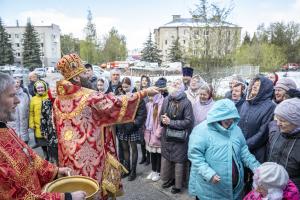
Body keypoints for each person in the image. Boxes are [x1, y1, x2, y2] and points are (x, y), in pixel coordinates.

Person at [53, 54, 158, 199]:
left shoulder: (57, 101)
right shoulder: (89, 96)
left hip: (69, 159)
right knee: (93, 190)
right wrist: (143, 92)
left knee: (75, 191)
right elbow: (116, 103)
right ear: (77, 78)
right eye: (84, 73)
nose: (88, 76)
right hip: (93, 156)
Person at [0, 72, 86, 200]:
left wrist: (55, 171)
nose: (18, 101)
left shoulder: (5, 129)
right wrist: (66, 197)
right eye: (12, 95)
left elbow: (30, 157)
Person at [188, 99, 260, 200]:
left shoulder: (236, 130)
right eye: (226, 116)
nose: (230, 120)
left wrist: (257, 168)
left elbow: (244, 152)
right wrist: (209, 174)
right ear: (217, 115)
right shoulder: (201, 130)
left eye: (232, 117)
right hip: (210, 189)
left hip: (234, 189)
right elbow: (195, 156)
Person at [238, 75, 276, 192]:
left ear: (264, 89)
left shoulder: (270, 106)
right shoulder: (246, 102)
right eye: (253, 84)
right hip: (241, 148)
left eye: (258, 85)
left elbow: (263, 133)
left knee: (254, 182)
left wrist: (244, 145)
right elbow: (239, 124)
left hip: (257, 151)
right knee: (241, 178)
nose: (254, 86)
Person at [160, 79, 194, 194]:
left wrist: (171, 123)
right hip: (167, 136)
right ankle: (169, 179)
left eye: (178, 83)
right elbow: (161, 116)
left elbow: (188, 121)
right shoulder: (166, 99)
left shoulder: (186, 102)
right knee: (168, 158)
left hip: (180, 138)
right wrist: (162, 120)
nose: (174, 84)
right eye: (173, 82)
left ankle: (178, 185)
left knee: (178, 161)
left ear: (182, 87)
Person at [116, 77, 147, 181]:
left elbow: (142, 113)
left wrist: (135, 123)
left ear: (131, 86)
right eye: (123, 87)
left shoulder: (137, 97)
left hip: (133, 127)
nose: (125, 89)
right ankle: (127, 169)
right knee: (125, 149)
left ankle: (133, 171)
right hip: (122, 126)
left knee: (133, 149)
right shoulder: (120, 96)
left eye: (127, 87)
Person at [268, 98, 300, 190]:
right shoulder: (278, 131)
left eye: (283, 120)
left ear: (296, 122)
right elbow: (272, 127)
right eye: (277, 118)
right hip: (272, 186)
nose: (278, 123)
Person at [144, 78, 166, 182]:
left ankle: (158, 171)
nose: (152, 96)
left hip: (157, 133)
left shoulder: (163, 103)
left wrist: (158, 133)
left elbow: (162, 120)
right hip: (150, 133)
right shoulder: (149, 104)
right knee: (152, 153)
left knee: (158, 153)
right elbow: (148, 120)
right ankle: (153, 170)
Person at [29, 80, 49, 160]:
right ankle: (45, 154)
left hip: (49, 125)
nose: (40, 89)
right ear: (35, 89)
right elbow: (31, 112)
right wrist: (31, 123)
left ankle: (51, 155)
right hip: (38, 125)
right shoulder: (33, 99)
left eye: (41, 87)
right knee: (42, 142)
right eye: (38, 88)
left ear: (45, 88)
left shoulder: (49, 97)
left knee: (50, 142)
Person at [7, 77, 30, 144]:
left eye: (18, 82)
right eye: (14, 82)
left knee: (25, 148)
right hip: (12, 126)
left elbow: (28, 109)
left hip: (24, 127)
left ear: (20, 83)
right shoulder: (6, 96)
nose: (16, 84)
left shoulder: (25, 95)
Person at [41, 86, 59, 164]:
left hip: (61, 130)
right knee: (53, 150)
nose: (54, 92)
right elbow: (43, 117)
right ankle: (56, 168)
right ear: (49, 92)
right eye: (53, 91)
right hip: (50, 131)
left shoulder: (62, 102)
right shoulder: (45, 102)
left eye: (56, 90)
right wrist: (43, 130)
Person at [139, 75, 151, 165]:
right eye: (142, 80)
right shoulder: (139, 92)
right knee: (142, 139)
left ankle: (148, 158)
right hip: (141, 119)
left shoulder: (149, 92)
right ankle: (143, 156)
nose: (144, 82)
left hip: (148, 118)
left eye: (145, 80)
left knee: (148, 139)